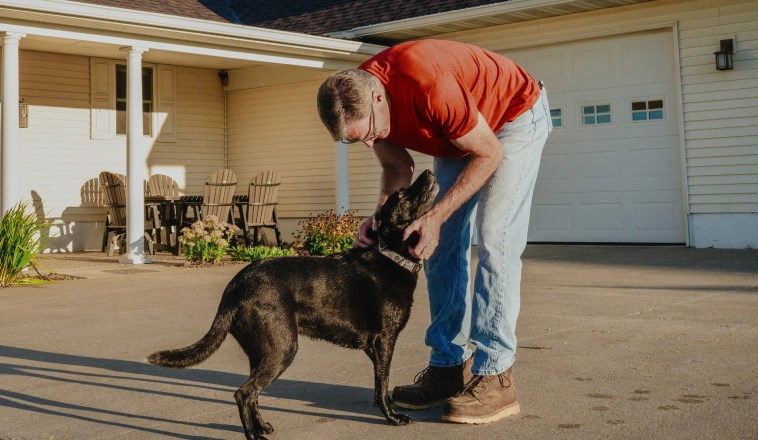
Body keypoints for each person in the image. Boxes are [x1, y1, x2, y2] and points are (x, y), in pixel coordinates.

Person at [316, 39, 551, 424]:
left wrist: (436, 216)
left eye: (370, 133)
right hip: (460, 131)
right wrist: (379, 222)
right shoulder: (363, 99)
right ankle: (448, 366)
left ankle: (496, 375)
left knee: (495, 237)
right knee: (434, 247)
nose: (373, 142)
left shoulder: (428, 86)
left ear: (377, 97)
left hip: (512, 117)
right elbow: (397, 169)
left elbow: (489, 152)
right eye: (357, 140)